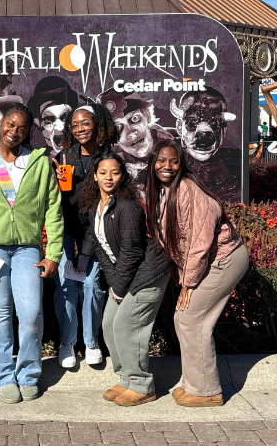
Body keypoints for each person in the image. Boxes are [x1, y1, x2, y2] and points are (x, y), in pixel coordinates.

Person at [0, 103, 63, 404]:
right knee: (1, 313)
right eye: (9, 124)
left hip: (27, 249)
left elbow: (53, 210)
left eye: (21, 127)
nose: (13, 131)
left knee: (31, 313)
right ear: (2, 124)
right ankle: (3, 376)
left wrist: (53, 253)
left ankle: (29, 374)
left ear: (28, 131)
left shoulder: (39, 161)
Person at [145, 139, 249, 407]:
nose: (167, 166)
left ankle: (206, 392)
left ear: (182, 164)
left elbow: (199, 243)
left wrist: (188, 284)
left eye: (174, 161)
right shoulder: (165, 192)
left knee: (191, 318)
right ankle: (195, 385)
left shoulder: (188, 190)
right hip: (211, 261)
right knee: (186, 318)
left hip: (224, 259)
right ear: (152, 163)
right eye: (161, 160)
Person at [77, 152, 172, 406]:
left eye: (115, 172)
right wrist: (115, 283)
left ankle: (142, 385)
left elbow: (132, 251)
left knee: (127, 326)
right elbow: (100, 247)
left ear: (123, 176)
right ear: (95, 176)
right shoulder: (95, 205)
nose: (109, 177)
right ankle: (126, 379)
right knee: (109, 324)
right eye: (103, 172)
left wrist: (118, 289)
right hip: (126, 275)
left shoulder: (127, 205)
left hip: (148, 274)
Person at [51, 103, 118, 368]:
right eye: (75, 124)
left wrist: (87, 252)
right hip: (66, 232)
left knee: (91, 285)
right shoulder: (65, 157)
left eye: (86, 123)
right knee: (66, 285)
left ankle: (91, 343)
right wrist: (57, 184)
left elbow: (106, 207)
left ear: (98, 124)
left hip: (95, 232)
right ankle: (67, 343)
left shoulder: (109, 161)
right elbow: (54, 202)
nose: (80, 129)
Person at [27, 76, 79, 160]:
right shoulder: (35, 161)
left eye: (65, 117)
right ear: (38, 123)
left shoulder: (87, 156)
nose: (60, 127)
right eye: (49, 120)